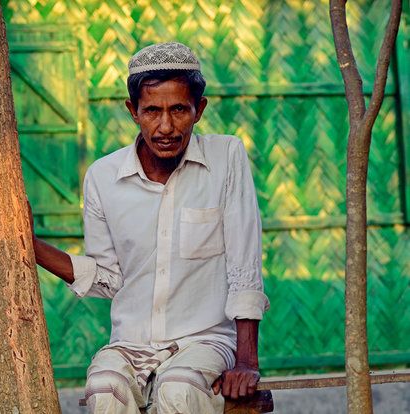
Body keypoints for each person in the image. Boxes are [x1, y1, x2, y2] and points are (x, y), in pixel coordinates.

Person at [29, 42, 269, 414]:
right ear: (133, 112)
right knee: (104, 389)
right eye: (152, 111)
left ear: (199, 110)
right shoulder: (103, 177)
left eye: (179, 110)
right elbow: (108, 278)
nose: (166, 127)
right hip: (131, 344)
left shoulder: (227, 158)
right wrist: (30, 244)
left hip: (204, 340)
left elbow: (244, 265)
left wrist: (246, 362)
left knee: (179, 390)